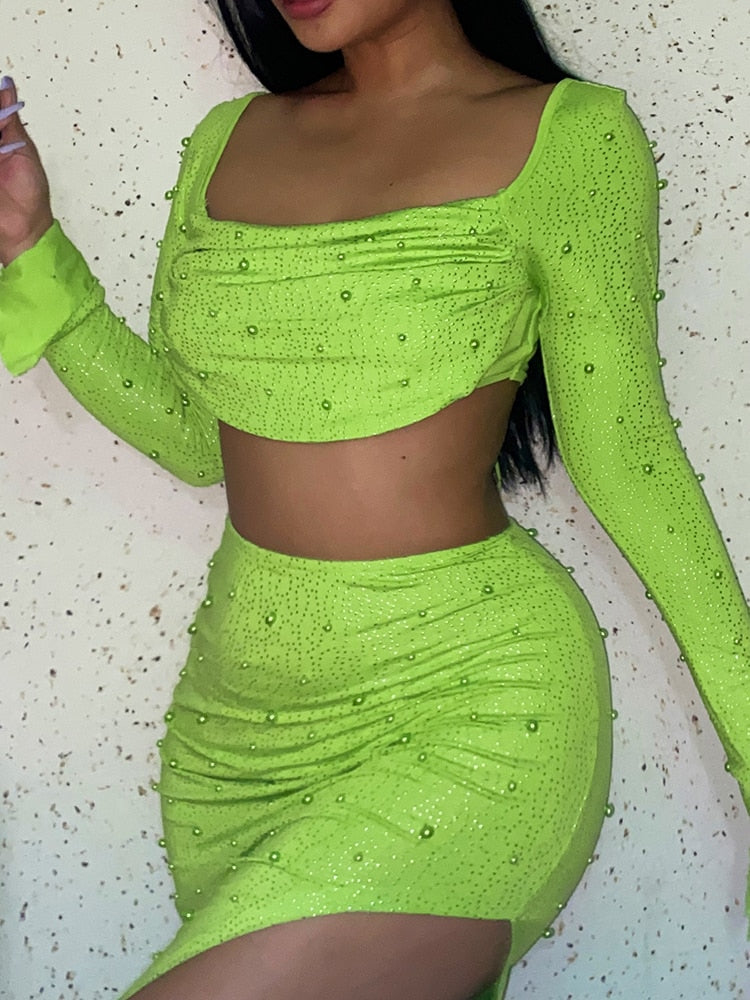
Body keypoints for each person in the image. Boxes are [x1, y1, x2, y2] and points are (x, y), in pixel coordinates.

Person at [0, 1, 747, 997]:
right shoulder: (231, 140)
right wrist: (30, 246)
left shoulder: (568, 139)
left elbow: (630, 463)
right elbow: (198, 438)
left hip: (474, 715)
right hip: (236, 749)